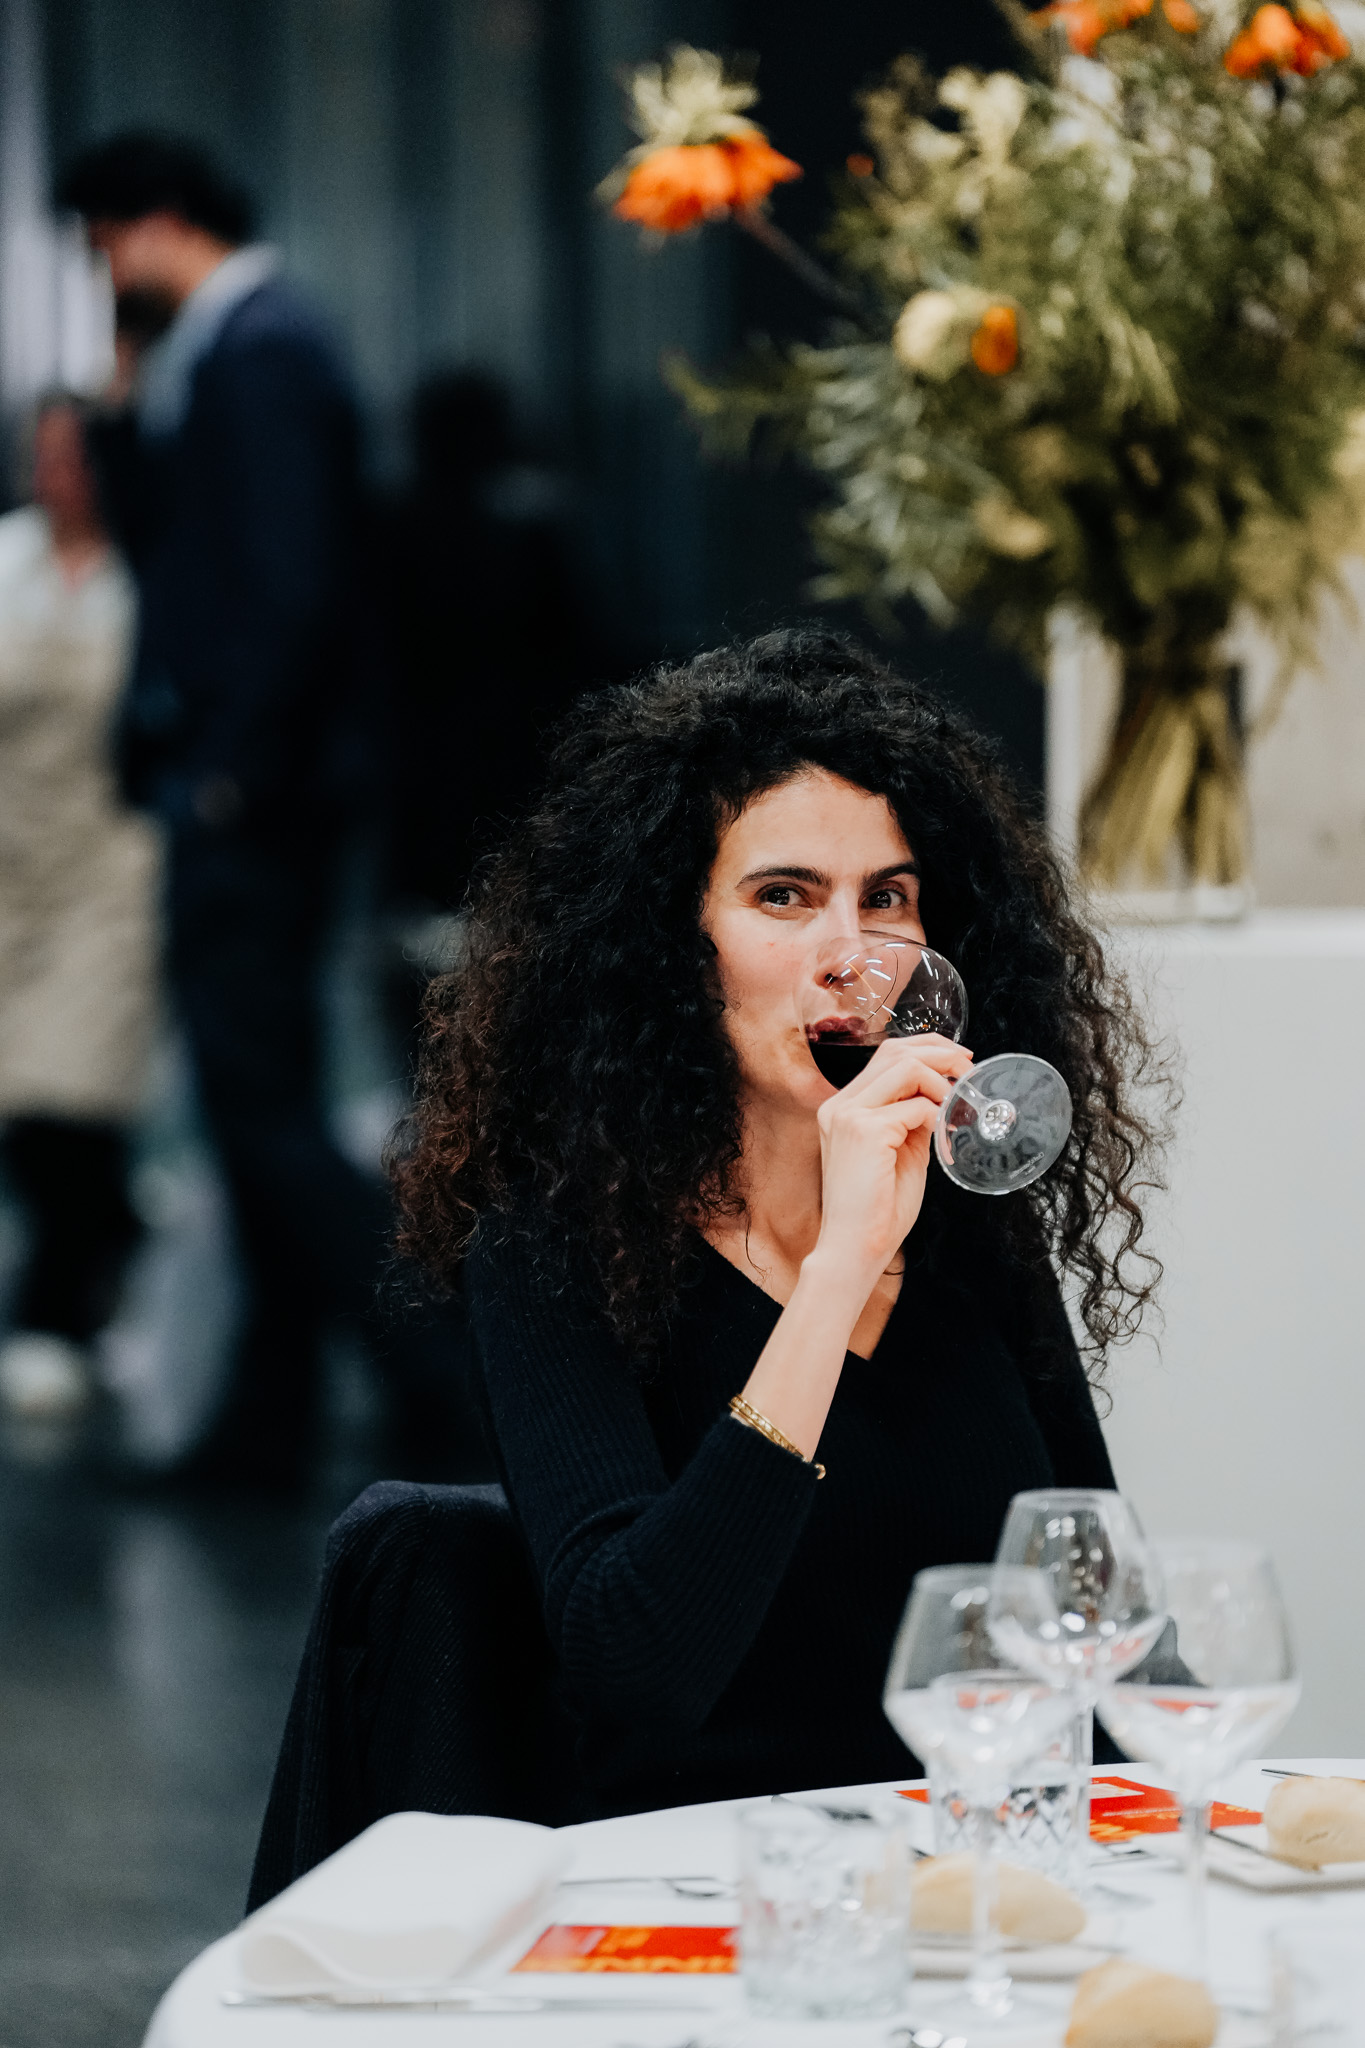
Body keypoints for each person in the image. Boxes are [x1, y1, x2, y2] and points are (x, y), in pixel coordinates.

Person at [391, 629, 1163, 1817]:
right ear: (675, 943)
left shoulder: (970, 1232)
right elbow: (640, 1664)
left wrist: (1206, 1816)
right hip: (704, 1880)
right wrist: (839, 1265)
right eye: (784, 897)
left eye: (887, 897)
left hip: (979, 1866)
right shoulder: (554, 1245)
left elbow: (1105, 1629)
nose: (850, 954)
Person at [56, 133, 478, 1489]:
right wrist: (122, 412)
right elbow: (171, 550)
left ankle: (440, 1374)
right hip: (253, 784)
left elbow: (290, 587)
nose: (103, 277)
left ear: (156, 221)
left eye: (103, 247)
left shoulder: (267, 350)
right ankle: (271, 1413)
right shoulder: (219, 355)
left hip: (260, 793)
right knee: (255, 1112)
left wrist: (229, 768)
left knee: (266, 1110)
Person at [0, 396, 158, 1420]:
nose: (60, 476)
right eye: (46, 456)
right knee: (23, 1092)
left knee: (79, 1084)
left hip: (110, 864)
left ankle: (54, 1310)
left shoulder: (144, 572)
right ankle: (106, 1243)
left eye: (77, 457)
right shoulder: (5, 560)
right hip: (11, 865)